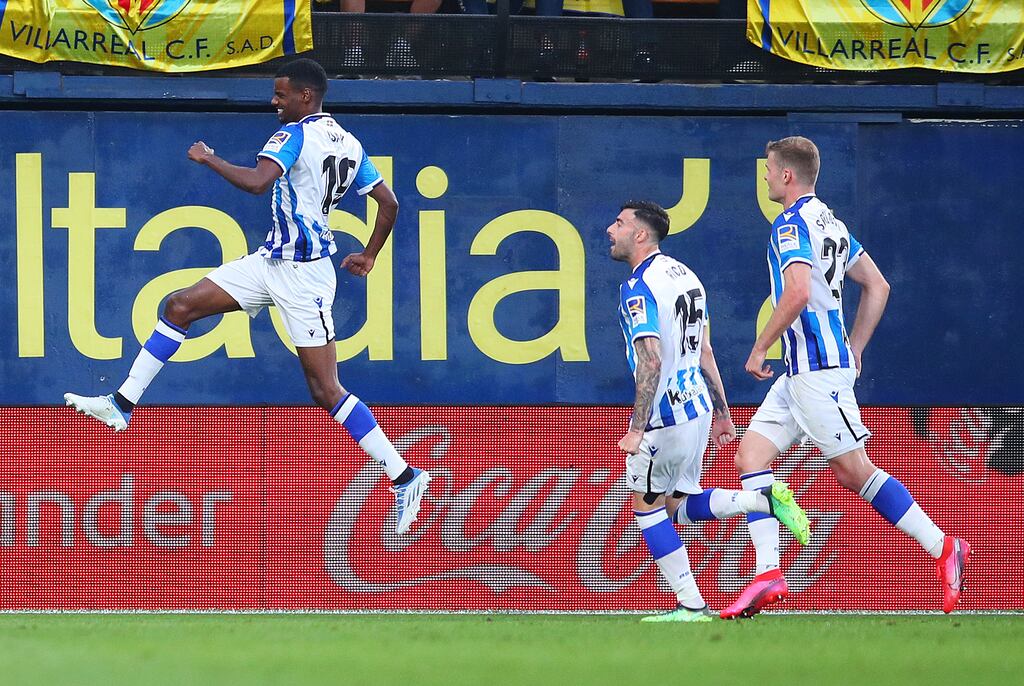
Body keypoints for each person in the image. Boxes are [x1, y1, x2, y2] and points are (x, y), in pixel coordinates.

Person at [64, 58, 431, 536]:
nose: (273, 102)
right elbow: (389, 202)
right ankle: (122, 403)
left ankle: (405, 476)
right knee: (180, 305)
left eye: (280, 94)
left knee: (326, 389)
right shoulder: (351, 143)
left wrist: (209, 158)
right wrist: (370, 254)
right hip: (269, 262)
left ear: (304, 96)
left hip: (304, 278)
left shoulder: (293, 135)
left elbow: (259, 183)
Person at [722, 136, 970, 619]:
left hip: (816, 372)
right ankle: (768, 573)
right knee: (751, 455)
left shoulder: (790, 224)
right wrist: (855, 348)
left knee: (854, 471)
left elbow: (794, 294)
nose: (767, 177)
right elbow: (877, 285)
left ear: (788, 175)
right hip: (803, 371)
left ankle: (944, 547)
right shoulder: (829, 221)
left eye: (770, 170)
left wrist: (758, 346)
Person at [608, 201, 810, 623]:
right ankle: (760, 499)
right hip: (697, 408)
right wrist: (720, 412)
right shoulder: (688, 278)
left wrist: (636, 427)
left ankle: (692, 604)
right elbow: (705, 349)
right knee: (677, 505)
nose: (612, 229)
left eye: (621, 223)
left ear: (641, 234)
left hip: (664, 417)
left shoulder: (637, 285)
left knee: (645, 509)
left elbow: (651, 360)